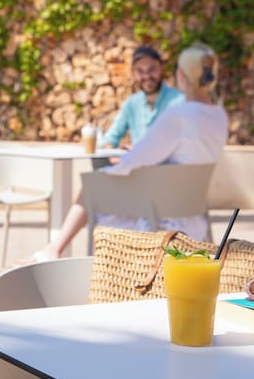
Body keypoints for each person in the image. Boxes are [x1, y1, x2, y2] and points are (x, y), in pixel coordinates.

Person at [32, 43, 228, 261]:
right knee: (99, 182)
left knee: (92, 185)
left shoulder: (179, 114)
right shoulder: (219, 116)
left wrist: (116, 167)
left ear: (180, 75)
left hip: (159, 206)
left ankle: (59, 251)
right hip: (191, 207)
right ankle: (56, 249)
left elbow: (138, 158)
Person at [99, 45, 185, 150]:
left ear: (161, 68)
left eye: (152, 69)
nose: (147, 76)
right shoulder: (131, 104)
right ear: (133, 73)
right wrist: (109, 148)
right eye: (140, 71)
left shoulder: (181, 101)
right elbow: (110, 138)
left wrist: (138, 149)